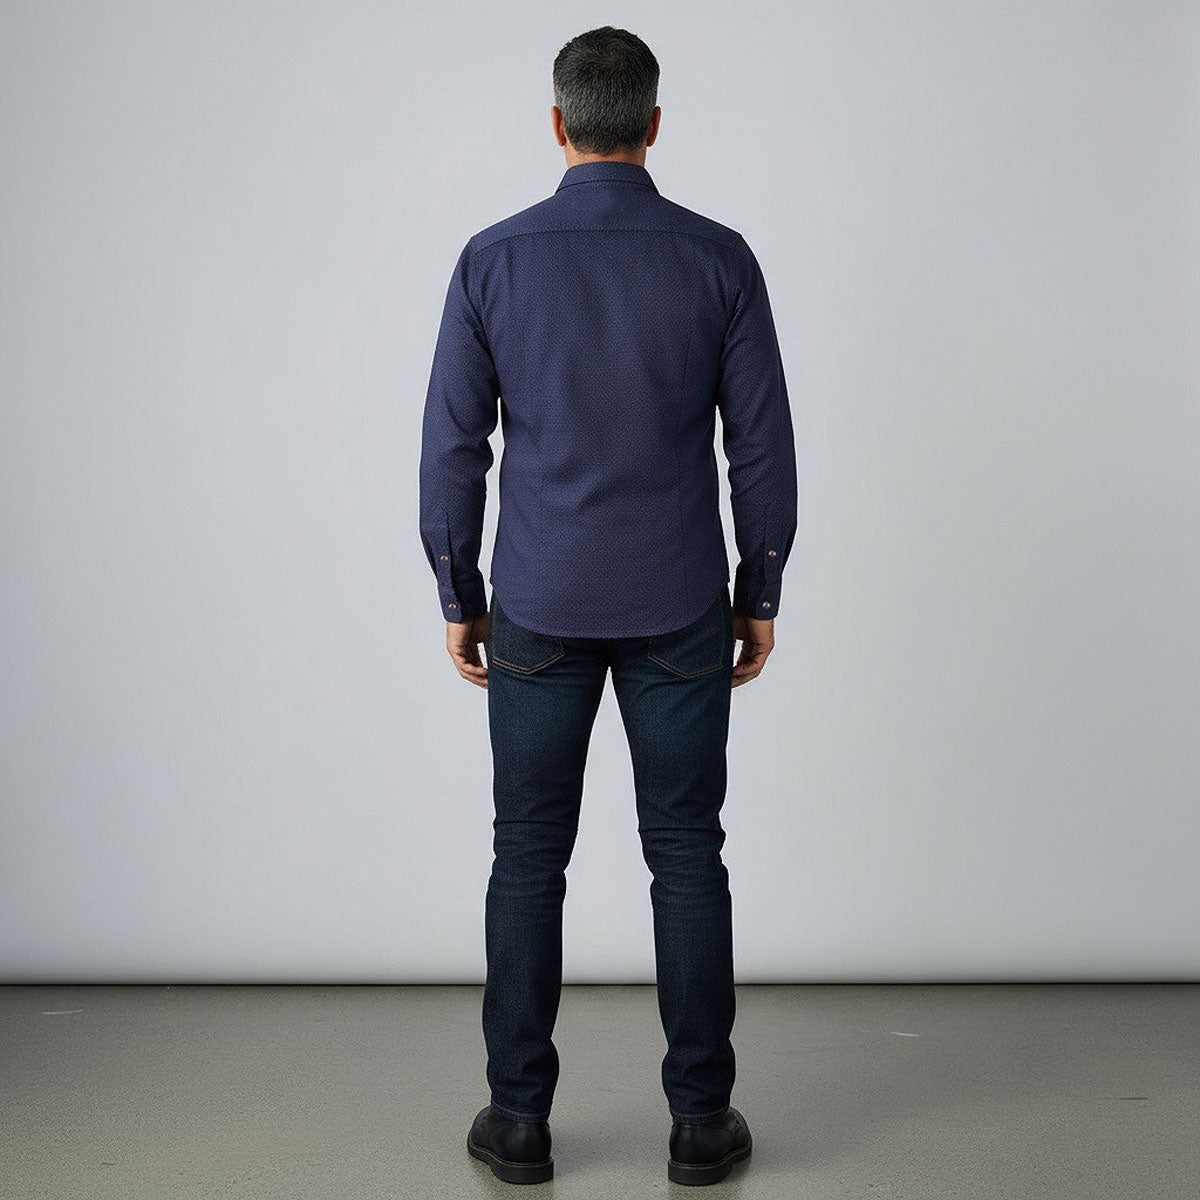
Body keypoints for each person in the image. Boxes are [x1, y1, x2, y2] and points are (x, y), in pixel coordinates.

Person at [419, 24, 797, 1187]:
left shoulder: (494, 259)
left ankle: (519, 1123)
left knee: (527, 856)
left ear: (557, 122)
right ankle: (699, 1125)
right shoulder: (719, 258)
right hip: (680, 598)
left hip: (537, 596)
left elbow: (453, 449)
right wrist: (760, 585)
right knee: (687, 854)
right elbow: (761, 448)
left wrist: (458, 590)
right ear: (653, 123)